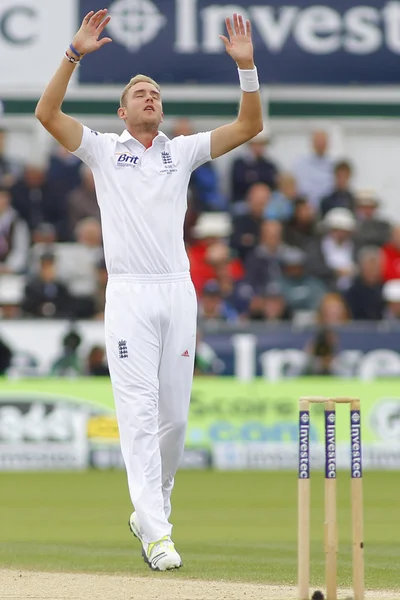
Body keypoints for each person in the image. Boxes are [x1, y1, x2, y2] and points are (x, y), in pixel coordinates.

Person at [35, 9, 263, 571]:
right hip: (131, 295)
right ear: (122, 110)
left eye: (155, 91)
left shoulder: (180, 150)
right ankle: (158, 534)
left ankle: (151, 511)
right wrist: (74, 54)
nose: (150, 96)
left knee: (175, 419)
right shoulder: (104, 150)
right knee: (137, 415)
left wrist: (248, 68)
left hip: (176, 291)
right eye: (139, 91)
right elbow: (46, 113)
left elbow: (249, 127)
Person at [293, 130, 334, 210]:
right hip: (305, 207)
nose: (320, 144)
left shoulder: (334, 164)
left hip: (329, 206)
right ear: (312, 143)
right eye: (318, 141)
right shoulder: (300, 164)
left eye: (323, 142)